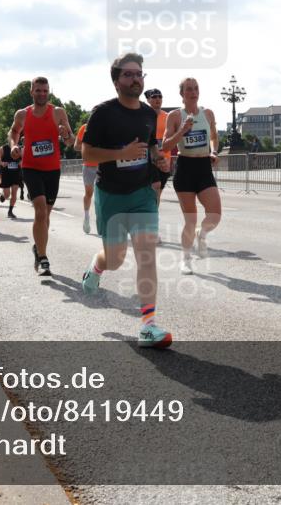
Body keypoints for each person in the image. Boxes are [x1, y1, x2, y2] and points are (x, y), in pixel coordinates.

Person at [80, 53, 172, 348]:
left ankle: (148, 326)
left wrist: (158, 159)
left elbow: (152, 147)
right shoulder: (103, 114)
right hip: (111, 196)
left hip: (142, 193)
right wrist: (120, 154)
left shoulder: (148, 114)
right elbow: (87, 155)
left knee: (147, 255)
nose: (136, 79)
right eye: (129, 74)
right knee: (115, 260)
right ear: (117, 81)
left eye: (140, 74)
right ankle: (96, 267)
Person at [8, 77, 75, 275]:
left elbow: (71, 141)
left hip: (52, 169)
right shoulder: (23, 114)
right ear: (32, 92)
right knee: (40, 212)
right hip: (31, 167)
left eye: (45, 91)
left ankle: (38, 246)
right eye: (38, 91)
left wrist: (65, 135)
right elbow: (13, 133)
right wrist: (13, 146)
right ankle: (43, 258)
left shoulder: (58, 112)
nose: (42, 94)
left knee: (46, 214)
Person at [162, 77, 221, 275]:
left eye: (196, 88)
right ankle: (186, 259)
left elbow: (213, 136)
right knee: (190, 219)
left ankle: (201, 235)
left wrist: (214, 151)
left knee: (215, 214)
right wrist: (182, 130)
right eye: (189, 89)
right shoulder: (175, 116)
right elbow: (166, 146)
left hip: (204, 166)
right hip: (185, 167)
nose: (193, 92)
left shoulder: (208, 113)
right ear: (182, 94)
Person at [144, 88, 172, 205]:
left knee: (158, 192)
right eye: (154, 97)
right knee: (154, 187)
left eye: (160, 96)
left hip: (165, 159)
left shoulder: (168, 117)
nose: (158, 99)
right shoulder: (144, 116)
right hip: (148, 159)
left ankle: (153, 215)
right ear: (148, 100)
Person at [74, 122, 98, 234]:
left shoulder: (107, 125)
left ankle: (101, 220)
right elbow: (76, 146)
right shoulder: (84, 128)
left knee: (103, 194)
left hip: (103, 165)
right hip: (88, 166)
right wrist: (89, 148)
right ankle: (87, 216)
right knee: (89, 193)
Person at [0, 136, 23, 219]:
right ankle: (3, 196)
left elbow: (23, 159)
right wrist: (2, 163)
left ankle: (10, 211)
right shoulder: (3, 149)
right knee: (7, 194)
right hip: (6, 175)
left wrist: (21, 162)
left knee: (14, 193)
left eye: (15, 139)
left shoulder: (19, 149)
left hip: (16, 174)